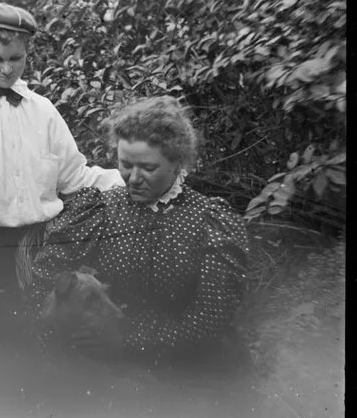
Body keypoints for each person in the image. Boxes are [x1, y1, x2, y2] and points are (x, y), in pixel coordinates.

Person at [0, 3, 125, 339]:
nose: (5, 69)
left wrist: (131, 180)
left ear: (28, 53)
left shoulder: (43, 112)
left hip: (38, 247)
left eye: (15, 59)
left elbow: (76, 176)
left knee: (34, 332)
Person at [29, 95, 250, 368]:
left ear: (176, 163)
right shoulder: (100, 209)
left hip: (186, 370)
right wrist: (73, 331)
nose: (133, 178)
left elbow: (208, 321)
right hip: (100, 364)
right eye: (125, 165)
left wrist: (126, 341)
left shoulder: (208, 222)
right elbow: (45, 278)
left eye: (148, 168)